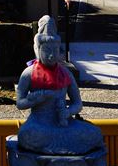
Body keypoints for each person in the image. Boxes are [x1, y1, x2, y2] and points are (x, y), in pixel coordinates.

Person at [16, 15, 103, 156]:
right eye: (47, 51)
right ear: (38, 50)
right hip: (39, 123)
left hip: (64, 123)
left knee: (94, 133)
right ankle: (63, 147)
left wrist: (68, 112)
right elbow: (20, 103)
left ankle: (58, 146)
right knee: (27, 135)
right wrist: (35, 99)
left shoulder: (65, 73)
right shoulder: (28, 74)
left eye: (55, 51)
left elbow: (78, 104)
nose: (51, 56)